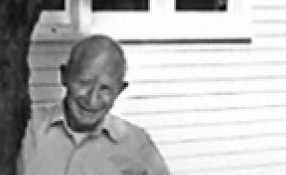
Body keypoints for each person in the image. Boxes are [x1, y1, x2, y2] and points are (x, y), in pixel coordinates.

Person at [18, 34, 171, 175]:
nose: (92, 100)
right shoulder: (25, 130)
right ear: (64, 76)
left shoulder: (136, 144)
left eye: (105, 89)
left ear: (120, 90)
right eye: (84, 83)